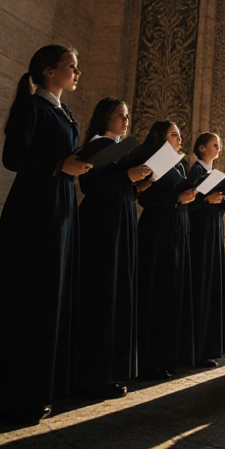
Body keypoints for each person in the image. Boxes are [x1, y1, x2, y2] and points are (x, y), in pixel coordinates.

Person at [0, 45, 91, 424]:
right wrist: (59, 166)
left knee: (51, 294)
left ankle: (40, 388)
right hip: (35, 209)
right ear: (49, 71)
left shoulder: (63, 111)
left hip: (61, 205)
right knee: (29, 293)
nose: (76, 73)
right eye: (71, 66)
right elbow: (13, 157)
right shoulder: (32, 107)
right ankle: (13, 394)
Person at [73, 97, 151, 399]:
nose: (126, 120)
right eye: (121, 115)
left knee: (118, 292)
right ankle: (93, 375)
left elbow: (117, 185)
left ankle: (110, 371)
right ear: (106, 117)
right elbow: (90, 186)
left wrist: (137, 184)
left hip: (121, 221)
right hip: (102, 226)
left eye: (128, 115)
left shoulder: (120, 148)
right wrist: (127, 177)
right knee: (102, 293)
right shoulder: (98, 145)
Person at [135, 121, 197, 380]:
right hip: (157, 231)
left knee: (173, 292)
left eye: (180, 134)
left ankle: (169, 357)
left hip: (178, 229)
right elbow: (144, 198)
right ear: (160, 137)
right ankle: (150, 361)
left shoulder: (180, 165)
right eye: (174, 134)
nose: (179, 139)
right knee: (156, 292)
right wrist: (175, 199)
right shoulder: (152, 161)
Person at [186, 132, 225, 369]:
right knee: (201, 286)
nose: (219, 148)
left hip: (214, 231)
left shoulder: (214, 174)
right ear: (202, 148)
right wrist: (207, 200)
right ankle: (196, 350)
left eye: (220, 145)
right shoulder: (196, 171)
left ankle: (209, 348)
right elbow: (188, 203)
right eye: (215, 144)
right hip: (201, 235)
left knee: (213, 285)